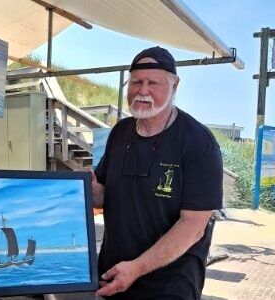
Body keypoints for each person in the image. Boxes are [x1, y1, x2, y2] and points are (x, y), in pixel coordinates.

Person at [92, 46, 222, 299]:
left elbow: (194, 227)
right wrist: (89, 189)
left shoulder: (198, 143)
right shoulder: (120, 132)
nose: (143, 91)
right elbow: (105, 197)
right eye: (136, 82)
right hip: (113, 276)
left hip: (169, 288)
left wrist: (137, 268)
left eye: (153, 83)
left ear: (174, 86)